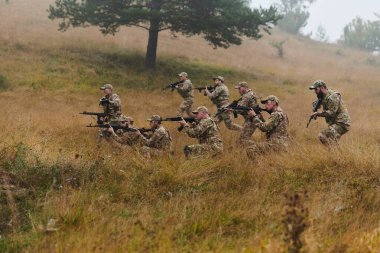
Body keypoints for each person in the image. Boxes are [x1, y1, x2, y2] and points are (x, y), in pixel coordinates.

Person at [246, 95, 289, 160]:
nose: (265, 105)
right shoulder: (281, 113)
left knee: (250, 149)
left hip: (276, 144)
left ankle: (259, 168)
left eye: (267, 103)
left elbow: (264, 128)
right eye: (265, 104)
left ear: (274, 103)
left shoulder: (276, 114)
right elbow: (270, 126)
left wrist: (254, 116)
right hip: (281, 144)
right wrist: (260, 118)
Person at [309, 80, 351, 146]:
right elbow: (320, 102)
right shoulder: (324, 96)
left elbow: (331, 112)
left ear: (322, 88)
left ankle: (334, 153)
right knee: (333, 142)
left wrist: (318, 114)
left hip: (341, 123)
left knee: (322, 136)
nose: (315, 91)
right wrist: (316, 105)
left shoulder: (333, 96)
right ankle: (338, 154)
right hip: (336, 122)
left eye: (316, 89)